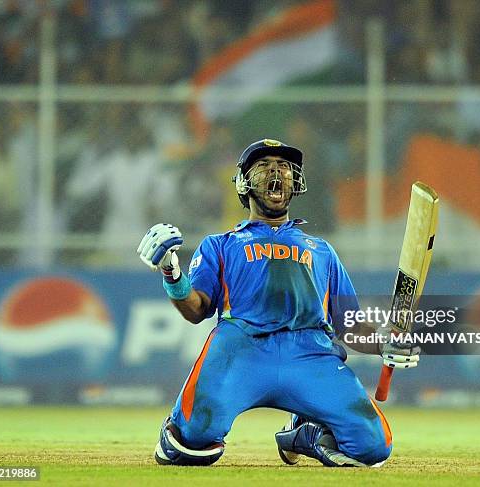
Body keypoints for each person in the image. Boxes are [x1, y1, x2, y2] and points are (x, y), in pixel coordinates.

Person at [137, 138, 420, 467]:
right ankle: (182, 433)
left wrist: (384, 342)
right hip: (241, 349)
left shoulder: (322, 251)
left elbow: (351, 325)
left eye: (284, 167)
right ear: (244, 182)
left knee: (373, 447)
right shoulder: (219, 245)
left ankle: (302, 433)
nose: (277, 171)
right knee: (188, 445)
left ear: (295, 182)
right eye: (265, 166)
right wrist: (171, 272)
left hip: (310, 352)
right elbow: (196, 309)